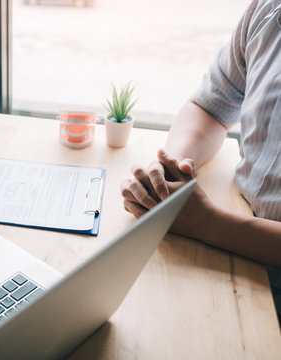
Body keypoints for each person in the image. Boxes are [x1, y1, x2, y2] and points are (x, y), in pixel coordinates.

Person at [120, 0, 281, 323]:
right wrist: (173, 168)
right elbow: (210, 107)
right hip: (234, 237)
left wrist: (208, 222)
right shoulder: (267, 10)